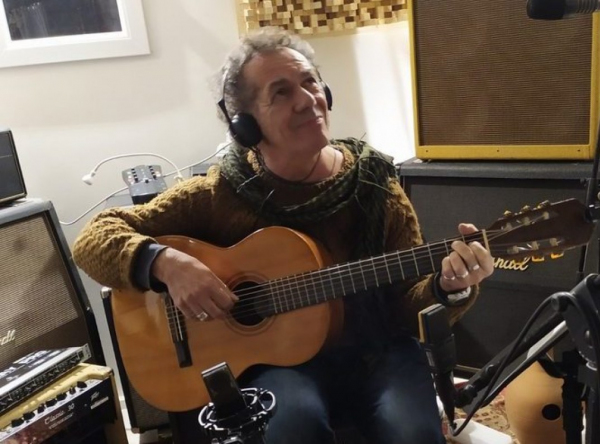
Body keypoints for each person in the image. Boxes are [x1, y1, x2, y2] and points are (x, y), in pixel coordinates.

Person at [73, 27, 494, 444]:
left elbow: (407, 306)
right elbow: (93, 239)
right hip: (282, 366)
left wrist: (448, 287)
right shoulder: (222, 193)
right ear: (245, 126)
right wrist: (168, 264)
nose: (307, 100)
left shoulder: (374, 185)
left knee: (412, 434)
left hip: (377, 351)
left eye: (310, 82)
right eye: (281, 93)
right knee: (291, 430)